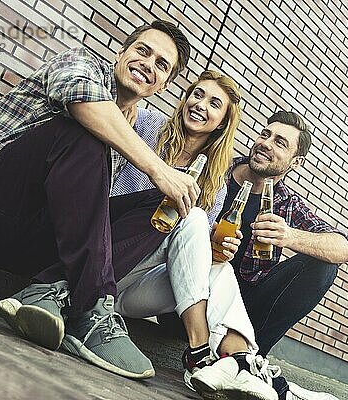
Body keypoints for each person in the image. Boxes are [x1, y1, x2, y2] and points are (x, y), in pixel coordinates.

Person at [0, 19, 195, 379]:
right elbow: (86, 104)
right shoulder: (79, 64)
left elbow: (85, 210)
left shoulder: (128, 124)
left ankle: (48, 290)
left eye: (161, 64)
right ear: (123, 52)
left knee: (164, 206)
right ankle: (91, 308)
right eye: (142, 51)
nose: (148, 64)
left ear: (164, 83)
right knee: (84, 129)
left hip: (29, 246)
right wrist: (158, 168)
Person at [111, 70, 280, 400]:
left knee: (219, 267)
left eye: (214, 103)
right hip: (105, 261)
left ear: (221, 123)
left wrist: (215, 252)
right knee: (193, 217)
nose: (200, 104)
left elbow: (190, 257)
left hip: (133, 292)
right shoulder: (144, 125)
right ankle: (203, 353)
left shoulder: (214, 184)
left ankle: (237, 363)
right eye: (197, 94)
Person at [212, 110, 348, 399]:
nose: (266, 143)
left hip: (246, 306)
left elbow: (343, 248)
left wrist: (289, 236)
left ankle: (250, 358)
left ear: (295, 162)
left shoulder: (286, 204)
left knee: (323, 265)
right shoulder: (219, 168)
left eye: (280, 142)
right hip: (196, 293)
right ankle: (244, 364)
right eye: (265, 134)